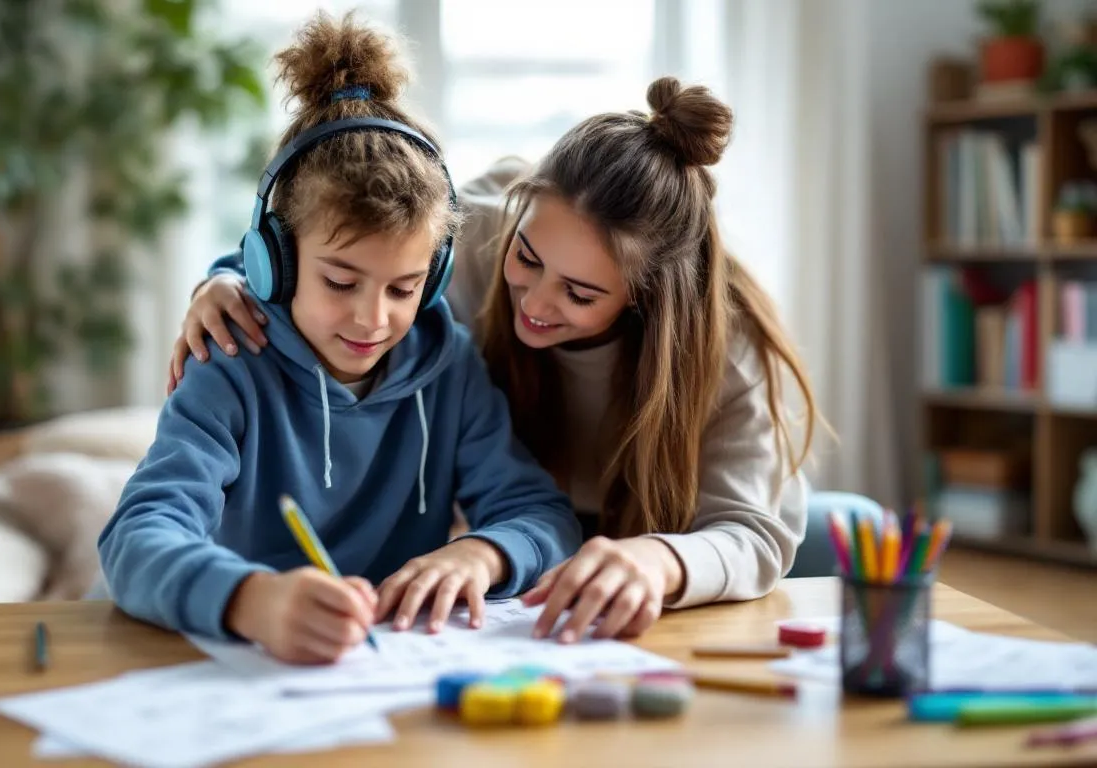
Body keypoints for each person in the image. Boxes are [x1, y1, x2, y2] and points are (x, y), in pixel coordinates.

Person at [170, 76, 828, 644]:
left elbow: (753, 535)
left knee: (840, 534)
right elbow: (334, 241)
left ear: (646, 299)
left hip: (660, 545)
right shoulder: (479, 231)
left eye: (580, 292)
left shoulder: (729, 345)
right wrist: (227, 278)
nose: (535, 303)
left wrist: (658, 562)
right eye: (528, 258)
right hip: (534, 539)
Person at [99, 11, 582, 664]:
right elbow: (135, 536)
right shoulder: (231, 361)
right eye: (340, 281)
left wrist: (481, 552)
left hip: (393, 672)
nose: (371, 320)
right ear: (277, 261)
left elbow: (543, 516)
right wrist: (251, 600)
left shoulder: (450, 366)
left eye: (403, 288)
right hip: (257, 666)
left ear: (435, 278)